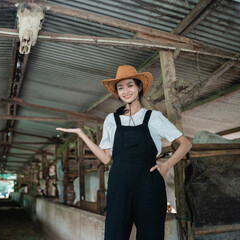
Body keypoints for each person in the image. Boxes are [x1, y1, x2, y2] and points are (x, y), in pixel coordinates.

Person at [56, 65, 192, 240]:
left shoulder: (154, 117)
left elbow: (185, 144)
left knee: (151, 235)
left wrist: (165, 167)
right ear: (117, 92)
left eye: (130, 85)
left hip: (148, 183)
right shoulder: (111, 120)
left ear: (139, 87)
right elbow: (106, 158)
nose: (125, 91)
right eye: (121, 87)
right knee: (115, 234)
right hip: (119, 182)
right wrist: (82, 135)